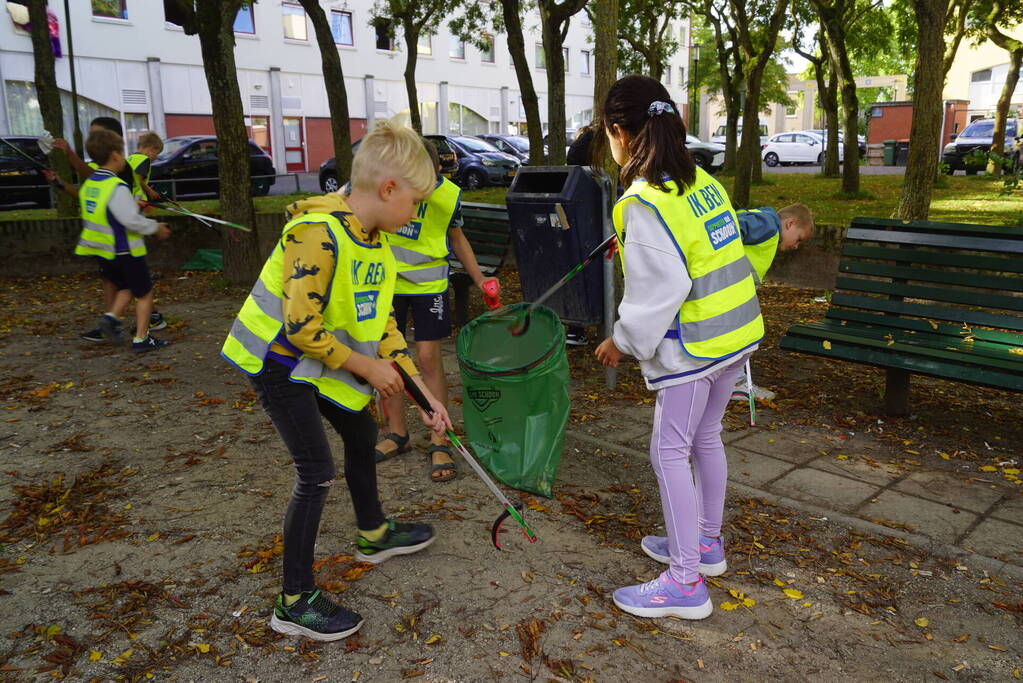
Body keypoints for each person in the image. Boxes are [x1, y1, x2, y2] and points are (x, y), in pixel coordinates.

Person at [220, 119, 453, 642]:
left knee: (359, 432)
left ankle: (372, 534)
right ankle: (294, 601)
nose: (416, 215)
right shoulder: (316, 233)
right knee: (316, 470)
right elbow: (302, 327)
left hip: (319, 360)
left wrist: (423, 394)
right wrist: (367, 367)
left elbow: (384, 326)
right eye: (415, 203)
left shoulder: (376, 243)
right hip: (277, 364)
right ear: (388, 189)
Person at [593, 75, 764, 621]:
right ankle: (705, 545)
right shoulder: (702, 181)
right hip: (735, 338)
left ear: (617, 131)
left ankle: (686, 581)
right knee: (706, 437)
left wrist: (620, 342)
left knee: (668, 452)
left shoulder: (644, 201)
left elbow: (656, 292)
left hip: (695, 349)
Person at [375, 138, 497, 482]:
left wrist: (479, 277)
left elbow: (457, 238)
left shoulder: (447, 194)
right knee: (392, 360)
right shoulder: (389, 188)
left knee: (428, 358)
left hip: (429, 285)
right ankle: (396, 434)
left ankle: (439, 438)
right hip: (388, 284)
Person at [49, 117, 168, 340]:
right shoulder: (111, 177)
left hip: (112, 244)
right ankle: (132, 330)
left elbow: (92, 182)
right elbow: (98, 192)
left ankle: (123, 320)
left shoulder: (119, 171)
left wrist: (69, 155)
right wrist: (155, 227)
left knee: (130, 285)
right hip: (121, 244)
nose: (92, 139)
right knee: (136, 287)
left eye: (96, 134)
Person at [730, 203, 815, 402]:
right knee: (745, 335)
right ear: (790, 223)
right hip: (731, 291)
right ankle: (737, 383)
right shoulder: (768, 224)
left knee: (741, 334)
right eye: (799, 239)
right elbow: (730, 228)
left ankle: (732, 381)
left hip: (737, 291)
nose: (796, 246)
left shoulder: (767, 227)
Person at [126, 131, 164, 203]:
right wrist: (150, 191)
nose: (156, 157)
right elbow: (138, 179)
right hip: (138, 199)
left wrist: (145, 187)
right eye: (156, 153)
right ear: (151, 149)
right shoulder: (144, 159)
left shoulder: (129, 158)